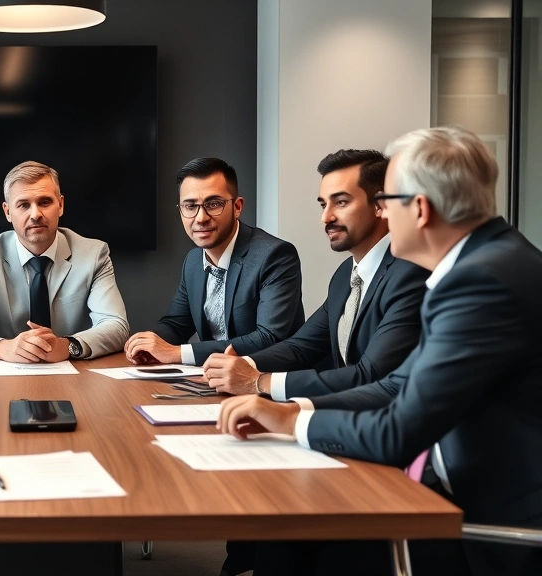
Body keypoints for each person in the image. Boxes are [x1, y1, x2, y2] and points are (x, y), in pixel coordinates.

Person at [217, 127, 542, 576]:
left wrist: (292, 421)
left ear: (421, 209)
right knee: (290, 535)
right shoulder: (488, 263)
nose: (383, 212)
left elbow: (398, 432)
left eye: (387, 200)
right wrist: (288, 413)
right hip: (452, 487)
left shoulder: (480, 282)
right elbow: (398, 385)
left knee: (302, 535)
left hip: (490, 523)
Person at [203, 150, 429, 399]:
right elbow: (301, 347)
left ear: (380, 204)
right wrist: (243, 364)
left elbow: (371, 375)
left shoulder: (411, 273)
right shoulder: (346, 274)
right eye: (324, 204)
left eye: (341, 202)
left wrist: (260, 382)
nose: (326, 217)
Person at [124, 158, 304, 367]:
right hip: (213, 381)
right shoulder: (193, 260)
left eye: (213, 204)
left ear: (237, 207)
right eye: (190, 206)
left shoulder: (275, 255)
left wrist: (178, 353)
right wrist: (148, 344)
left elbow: (269, 338)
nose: (200, 218)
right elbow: (176, 324)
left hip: (269, 383)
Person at [0, 160, 129, 362]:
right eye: (23, 205)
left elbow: (116, 325)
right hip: (3, 377)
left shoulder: (94, 253)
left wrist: (68, 346)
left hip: (75, 375)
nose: (35, 215)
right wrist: (3, 347)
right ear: (7, 212)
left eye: (44, 202)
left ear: (61, 205)